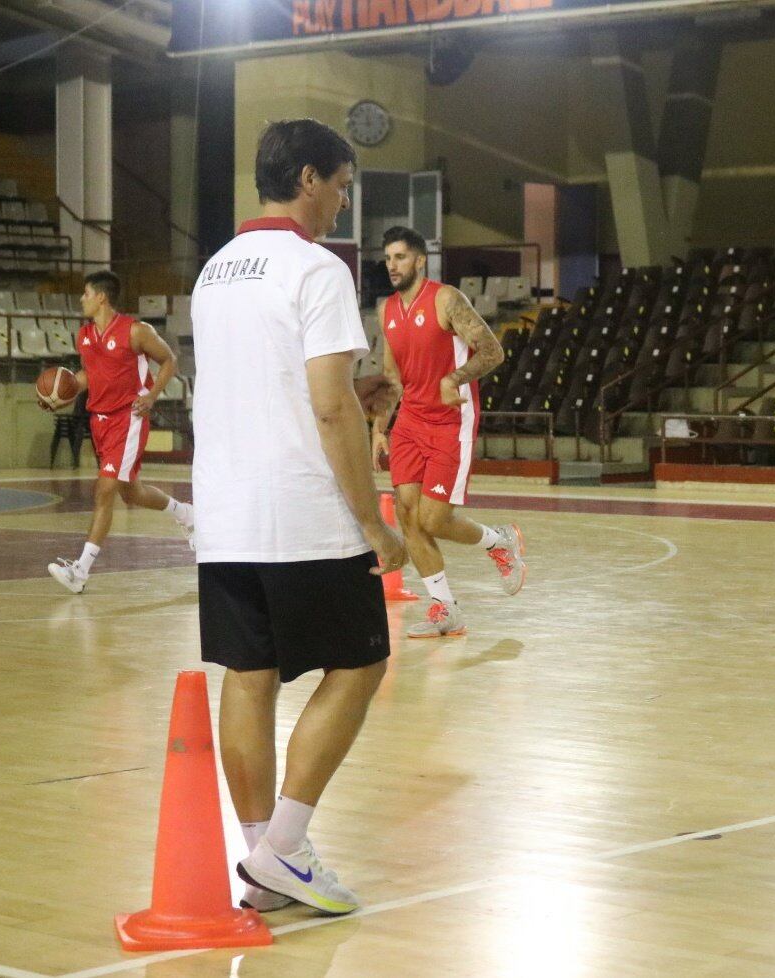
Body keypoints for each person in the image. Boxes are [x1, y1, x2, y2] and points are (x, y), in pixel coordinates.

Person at [190, 118, 408, 916]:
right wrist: (373, 522)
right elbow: (325, 407)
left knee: (247, 677)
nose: (343, 203)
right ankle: (284, 846)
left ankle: (259, 860)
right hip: (301, 512)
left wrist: (353, 393)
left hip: (224, 510)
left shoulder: (213, 272)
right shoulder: (316, 270)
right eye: (343, 185)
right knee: (360, 663)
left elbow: (267, 384)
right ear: (309, 177)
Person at [374, 225, 525, 639]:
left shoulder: (445, 298)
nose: (392, 265)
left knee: (434, 518)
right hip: (409, 422)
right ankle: (445, 608)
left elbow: (494, 350)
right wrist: (379, 426)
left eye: (400, 257)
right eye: (388, 258)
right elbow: (390, 376)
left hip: (450, 419)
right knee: (407, 514)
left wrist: (454, 377)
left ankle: (499, 541)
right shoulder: (386, 310)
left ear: (420, 260)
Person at [42, 270, 194, 593]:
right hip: (99, 419)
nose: (81, 299)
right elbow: (90, 376)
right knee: (130, 492)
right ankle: (186, 514)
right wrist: (61, 395)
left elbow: (169, 360)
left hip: (128, 417)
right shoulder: (83, 335)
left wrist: (151, 396)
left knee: (105, 490)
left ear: (101, 296)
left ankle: (80, 571)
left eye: (85, 293)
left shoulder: (136, 331)